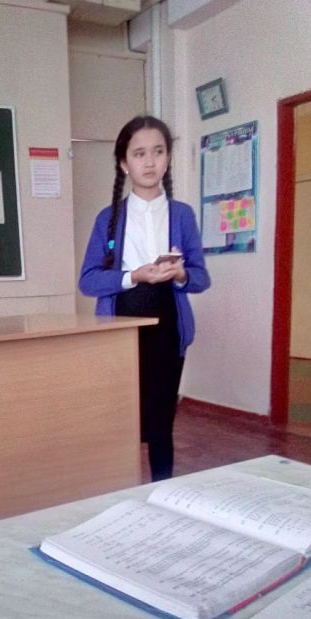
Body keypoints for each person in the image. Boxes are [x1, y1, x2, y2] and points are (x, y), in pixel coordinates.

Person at [79, 115, 210, 482]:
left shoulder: (182, 215)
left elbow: (201, 277)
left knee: (161, 423)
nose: (149, 162)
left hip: (168, 329)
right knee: (122, 421)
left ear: (167, 158)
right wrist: (133, 275)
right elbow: (88, 281)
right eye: (139, 154)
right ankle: (121, 492)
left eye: (158, 151)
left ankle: (161, 492)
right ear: (124, 163)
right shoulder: (108, 218)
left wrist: (180, 274)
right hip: (122, 330)